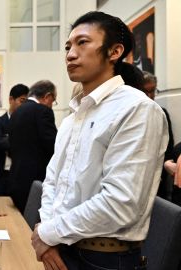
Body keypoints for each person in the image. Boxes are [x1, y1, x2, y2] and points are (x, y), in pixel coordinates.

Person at [31, 11, 168, 270]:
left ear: (114, 51)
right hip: (61, 246)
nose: (70, 54)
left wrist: (48, 233)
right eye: (68, 46)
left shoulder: (136, 108)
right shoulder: (74, 115)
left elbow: (120, 203)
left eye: (82, 43)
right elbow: (53, 181)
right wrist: (48, 234)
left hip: (104, 258)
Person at [8, 80, 57, 212]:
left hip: (15, 179)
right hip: (35, 183)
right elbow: (53, 146)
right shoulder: (43, 111)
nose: (52, 105)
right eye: (53, 101)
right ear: (47, 96)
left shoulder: (15, 113)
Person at [0, 83, 29, 196]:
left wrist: (8, 139)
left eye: (26, 102)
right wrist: (19, 140)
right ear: (11, 99)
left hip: (20, 176)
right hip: (1, 175)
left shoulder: (28, 124)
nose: (24, 105)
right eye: (22, 100)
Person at [142, 71, 174, 200]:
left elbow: (169, 144)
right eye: (146, 91)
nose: (150, 96)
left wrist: (164, 164)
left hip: (158, 173)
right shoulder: (130, 114)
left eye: (153, 91)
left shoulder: (162, 113)